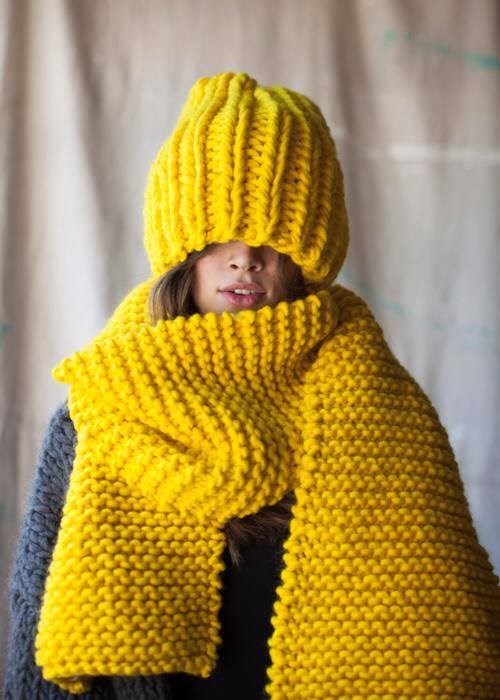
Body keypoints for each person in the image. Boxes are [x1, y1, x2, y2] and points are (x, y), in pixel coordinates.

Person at [4, 71, 500, 700]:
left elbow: (440, 617)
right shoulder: (104, 401)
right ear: (182, 252)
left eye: (275, 238)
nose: (246, 258)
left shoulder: (383, 410)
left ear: (310, 254)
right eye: (217, 238)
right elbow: (37, 605)